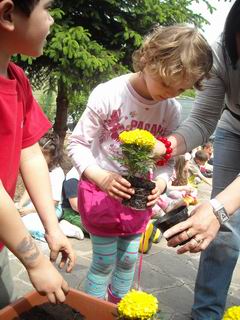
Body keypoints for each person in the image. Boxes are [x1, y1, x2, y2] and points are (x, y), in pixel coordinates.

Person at [68, 24, 212, 303]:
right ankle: (95, 311)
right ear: (149, 60)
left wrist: (161, 181)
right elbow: (77, 144)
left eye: (180, 88)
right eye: (166, 84)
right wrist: (101, 177)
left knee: (128, 260)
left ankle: (120, 307)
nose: (170, 93)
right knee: (104, 262)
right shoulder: (109, 94)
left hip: (139, 198)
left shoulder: (171, 109)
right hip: (102, 193)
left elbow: (164, 160)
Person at [153, 1, 240, 318]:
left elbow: (221, 207)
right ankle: (206, 312)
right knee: (226, 228)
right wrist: (164, 145)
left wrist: (218, 207)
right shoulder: (220, 52)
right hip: (235, 127)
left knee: (221, 212)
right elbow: (202, 121)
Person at [0, 0, 76, 307]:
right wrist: (34, 261)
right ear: (7, 14)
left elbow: (29, 152)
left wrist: (52, 227)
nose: (52, 20)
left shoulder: (17, 79)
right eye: (47, 8)